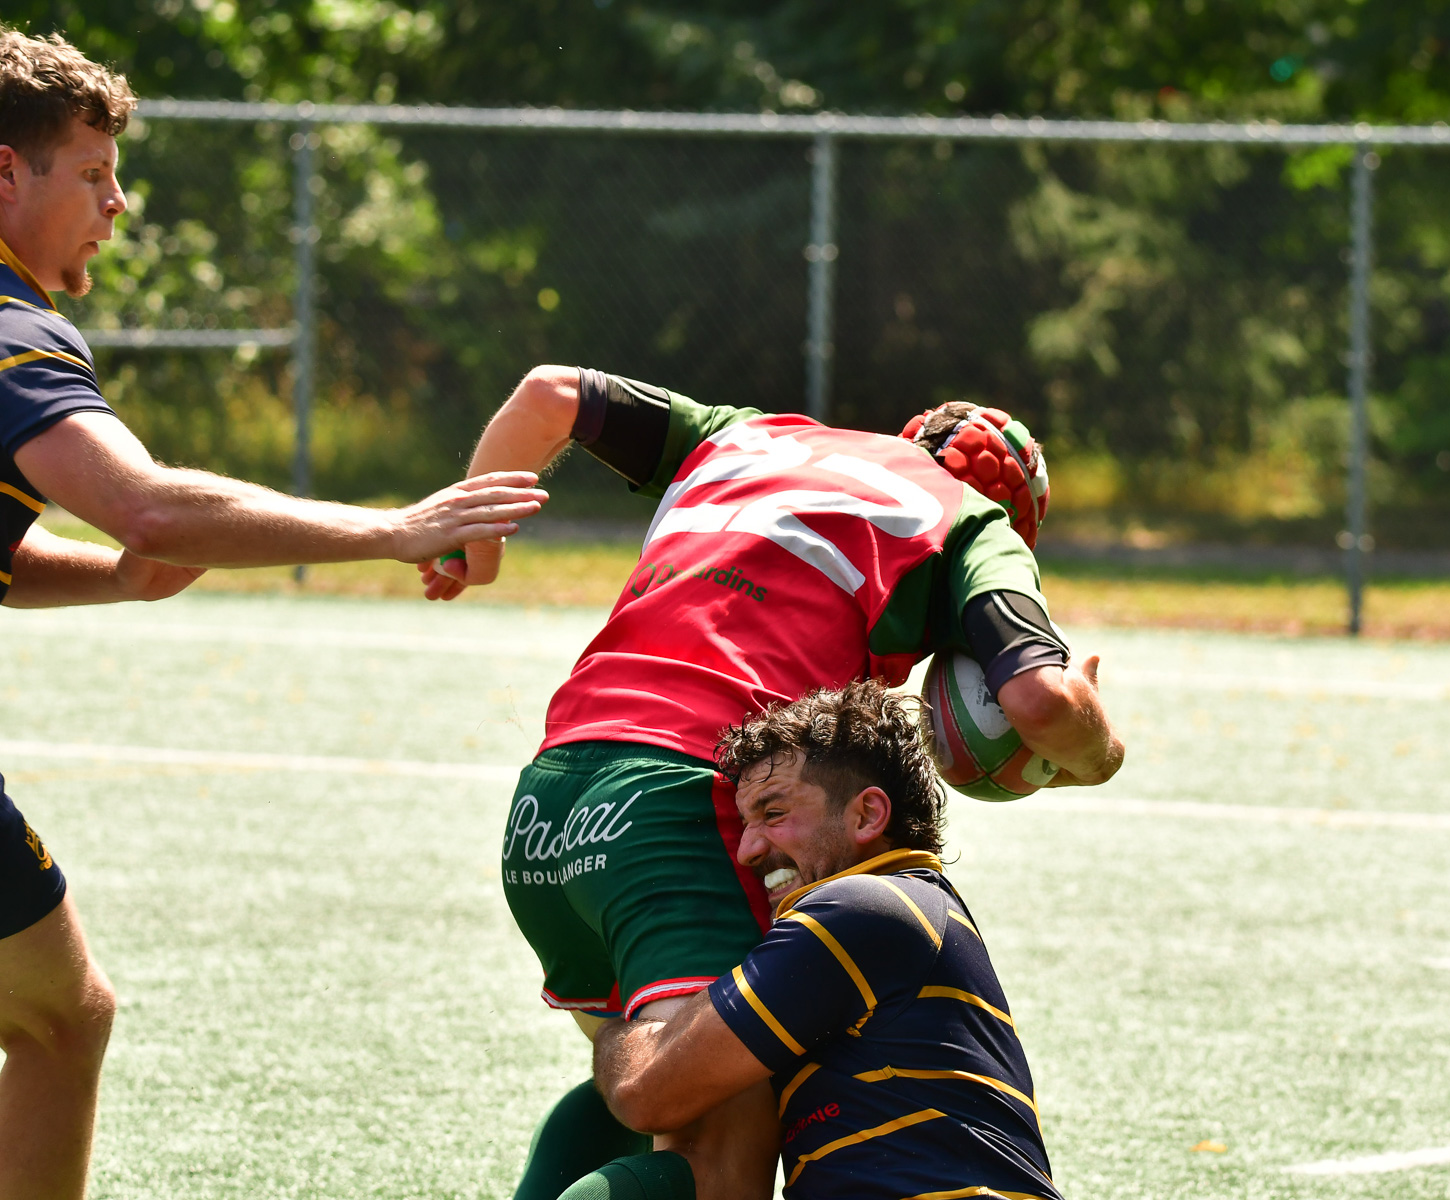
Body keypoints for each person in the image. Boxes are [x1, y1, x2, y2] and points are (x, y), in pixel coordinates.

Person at [0, 29, 546, 1200]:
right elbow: (145, 504)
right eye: (93, 174)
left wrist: (106, 580)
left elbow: (115, 542)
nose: (120, 202)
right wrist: (396, 527)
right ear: (7, 174)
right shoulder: (14, 331)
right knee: (59, 1019)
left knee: (64, 1013)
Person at [425, 364, 1123, 1199]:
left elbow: (549, 396)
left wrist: (477, 538)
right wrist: (1096, 755)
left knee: (668, 1078)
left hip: (549, 800)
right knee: (718, 1149)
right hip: (678, 800)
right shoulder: (974, 524)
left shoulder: (748, 432)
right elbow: (1040, 702)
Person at [579, 681, 1061, 1200]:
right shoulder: (910, 908)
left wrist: (612, 1025)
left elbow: (646, 1092)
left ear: (867, 815)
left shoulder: (857, 911)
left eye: (773, 813)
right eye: (745, 822)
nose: (746, 850)